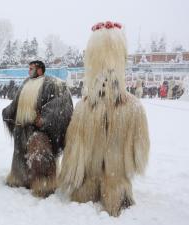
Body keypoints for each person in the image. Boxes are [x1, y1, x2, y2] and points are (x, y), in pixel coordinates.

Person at [60, 22, 150, 217]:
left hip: (100, 175)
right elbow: (140, 149)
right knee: (111, 185)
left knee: (91, 187)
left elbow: (74, 147)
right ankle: (112, 190)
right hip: (114, 177)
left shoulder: (86, 107)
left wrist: (71, 170)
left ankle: (99, 187)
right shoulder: (131, 108)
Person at [2, 60, 73, 197]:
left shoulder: (53, 84)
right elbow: (15, 105)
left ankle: (44, 184)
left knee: (40, 157)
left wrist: (44, 119)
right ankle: (21, 178)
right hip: (22, 130)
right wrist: (7, 113)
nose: (29, 71)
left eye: (31, 68)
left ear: (40, 70)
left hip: (40, 131)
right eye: (29, 68)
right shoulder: (25, 84)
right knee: (21, 156)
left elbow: (61, 105)